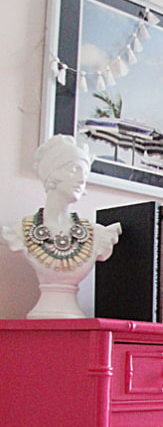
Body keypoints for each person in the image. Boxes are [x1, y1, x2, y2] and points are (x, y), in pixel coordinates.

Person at [1, 135, 121, 318]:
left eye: (85, 173)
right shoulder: (19, 233)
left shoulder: (97, 235)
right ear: (52, 173)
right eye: (74, 169)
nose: (82, 179)